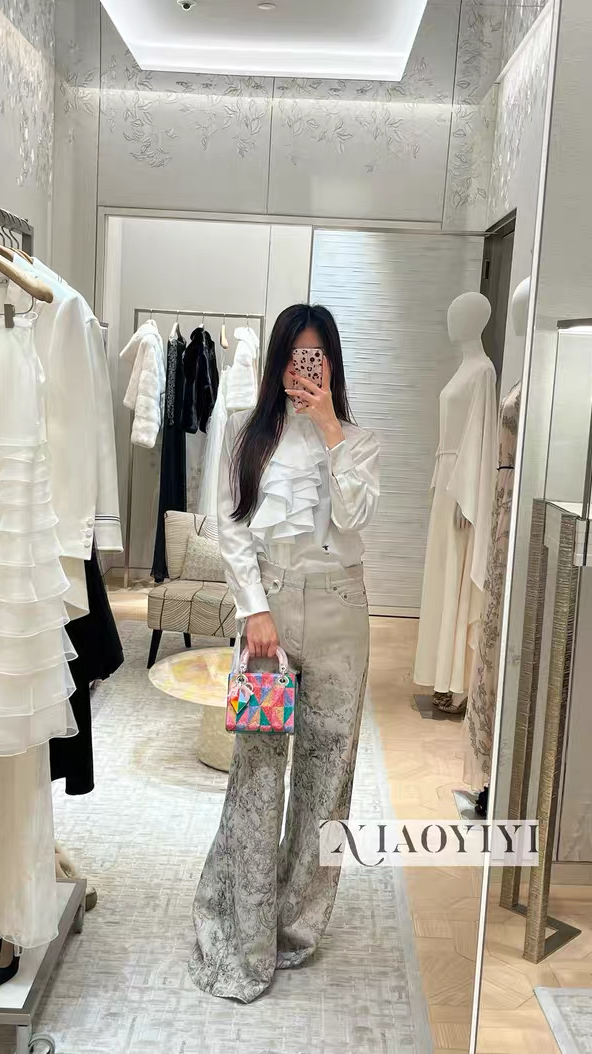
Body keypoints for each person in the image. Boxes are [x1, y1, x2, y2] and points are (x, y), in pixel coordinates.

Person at [188, 303, 381, 1002]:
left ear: (332, 364)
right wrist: (254, 611)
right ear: (277, 362)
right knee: (258, 771)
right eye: (296, 356)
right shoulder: (248, 433)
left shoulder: (359, 441)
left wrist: (329, 427)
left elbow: (356, 517)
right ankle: (244, 929)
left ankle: (296, 928)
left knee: (328, 778)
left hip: (341, 616)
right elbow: (233, 527)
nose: (306, 369)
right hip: (269, 617)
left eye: (317, 357)